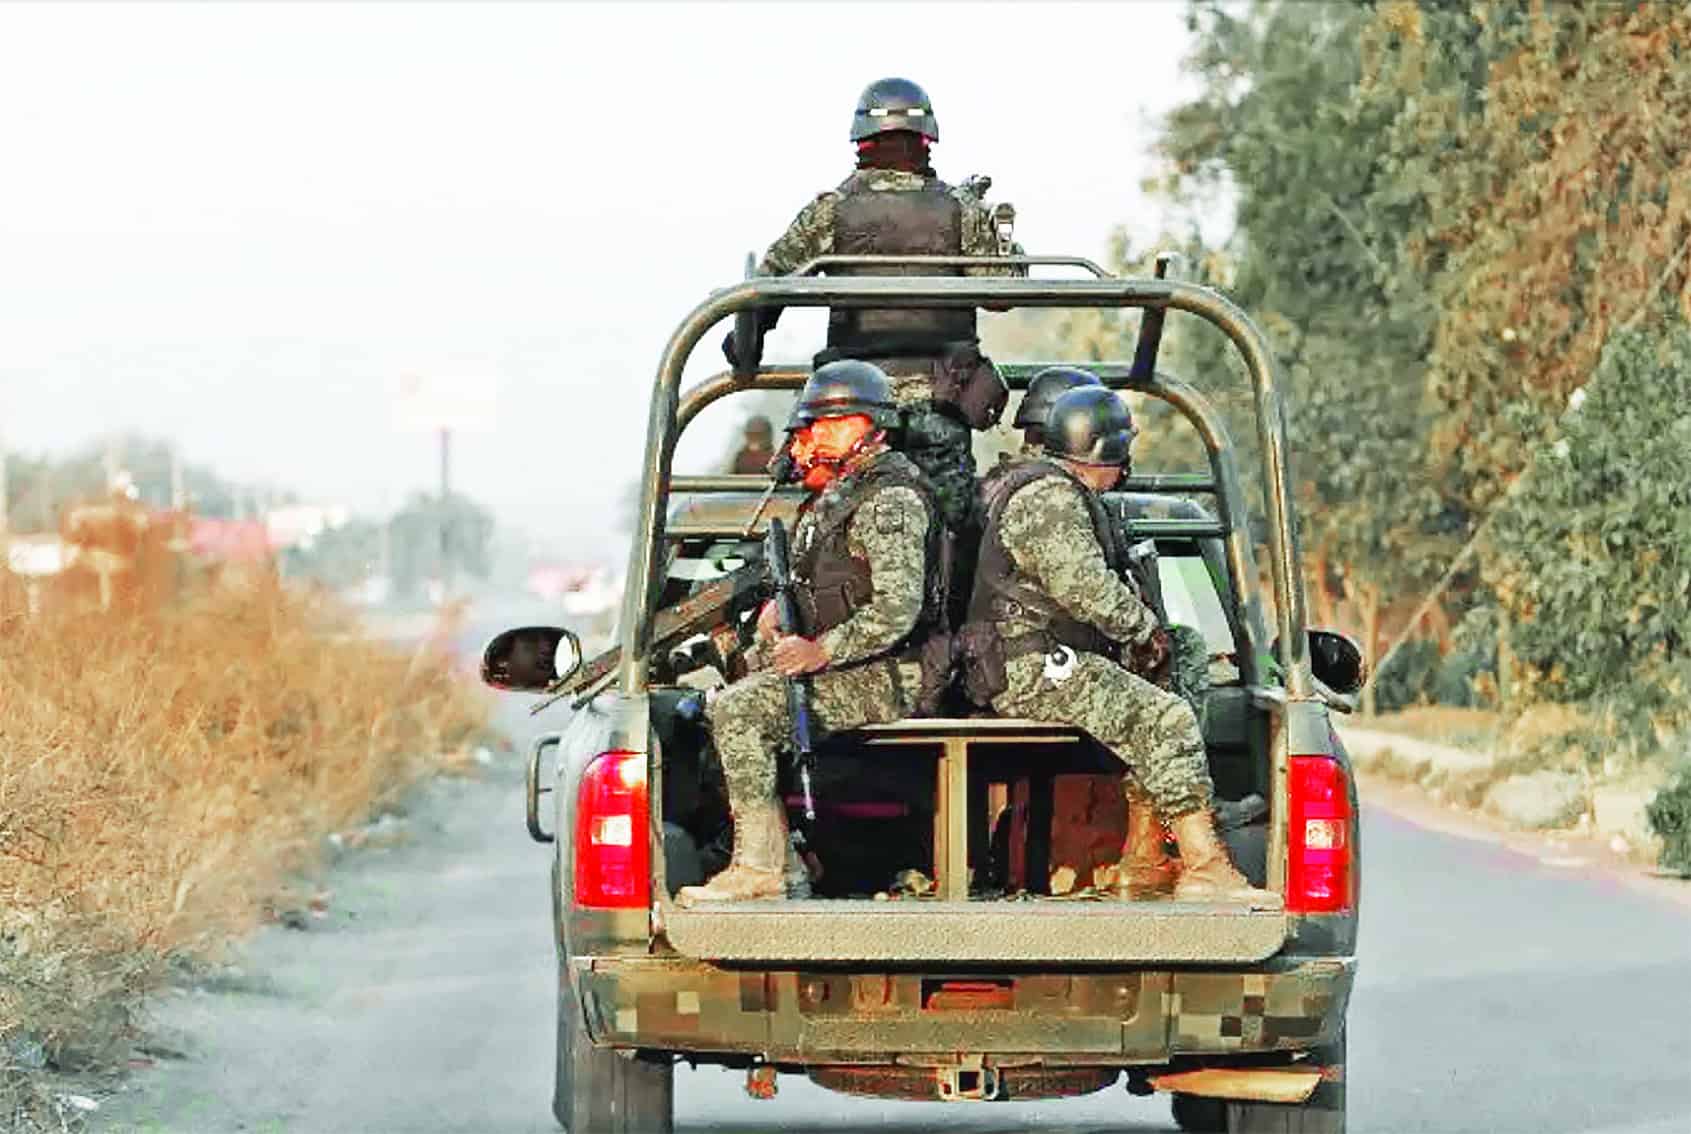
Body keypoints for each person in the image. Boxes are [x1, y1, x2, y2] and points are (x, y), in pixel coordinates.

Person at [961, 386, 1276, 904]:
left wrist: (1157, 641)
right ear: (1105, 451)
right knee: (1166, 719)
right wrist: (1141, 628)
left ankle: (1146, 854)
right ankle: (1204, 866)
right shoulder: (1050, 497)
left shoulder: (1066, 493)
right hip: (1029, 665)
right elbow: (1084, 586)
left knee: (1181, 655)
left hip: (1048, 657)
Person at [677, 361, 946, 906]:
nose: (814, 435)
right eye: (812, 425)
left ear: (871, 425)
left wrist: (820, 650)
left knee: (742, 711)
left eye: (830, 422)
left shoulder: (890, 499)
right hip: (861, 666)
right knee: (725, 699)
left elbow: (899, 609)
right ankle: (779, 853)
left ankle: (763, 866)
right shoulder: (842, 496)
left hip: (896, 673)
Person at [723, 77, 1025, 533]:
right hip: (939, 404)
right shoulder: (960, 210)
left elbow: (766, 287)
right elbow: (1002, 292)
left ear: (860, 140)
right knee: (950, 533)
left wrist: (745, 346)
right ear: (928, 138)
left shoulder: (830, 210)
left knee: (837, 533)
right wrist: (1008, 246)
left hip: (850, 414)